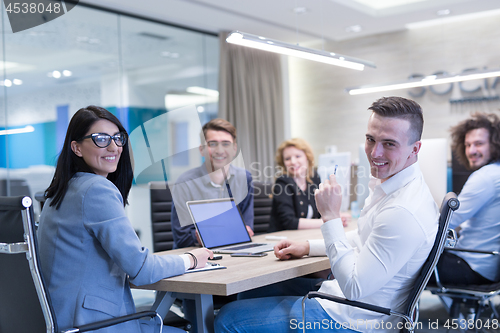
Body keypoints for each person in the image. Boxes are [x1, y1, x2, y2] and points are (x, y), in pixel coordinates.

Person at [215, 96, 439, 333]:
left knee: (228, 318)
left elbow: (354, 287)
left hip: (355, 318)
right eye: (370, 139)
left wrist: (330, 216)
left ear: (415, 149)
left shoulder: (402, 211)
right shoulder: (395, 186)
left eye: (389, 143)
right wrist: (308, 246)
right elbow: (363, 239)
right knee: (251, 292)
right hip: (355, 304)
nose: (375, 152)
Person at [38, 106, 212, 333]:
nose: (114, 147)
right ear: (76, 147)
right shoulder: (96, 190)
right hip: (92, 323)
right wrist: (190, 258)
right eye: (100, 139)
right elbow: (142, 271)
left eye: (118, 138)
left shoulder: (61, 190)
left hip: (61, 318)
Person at [435, 112, 500, 285]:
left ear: (495, 144)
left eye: (479, 144)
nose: (471, 151)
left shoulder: (486, 177)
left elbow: (447, 222)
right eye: (467, 145)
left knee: (406, 266)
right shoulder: (495, 172)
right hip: (485, 264)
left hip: (472, 266)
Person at [170, 118, 254, 249]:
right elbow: (182, 238)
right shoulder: (185, 182)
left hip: (235, 251)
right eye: (212, 144)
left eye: (226, 144)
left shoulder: (244, 178)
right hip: (195, 255)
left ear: (234, 149)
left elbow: (247, 226)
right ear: (201, 149)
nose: (220, 150)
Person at [268, 138, 322, 232]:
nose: (293, 162)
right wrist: (326, 222)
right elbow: (289, 222)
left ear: (307, 157)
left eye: (298, 156)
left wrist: (335, 217)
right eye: (287, 158)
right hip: (283, 240)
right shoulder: (282, 182)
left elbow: (320, 212)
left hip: (307, 235)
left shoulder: (314, 179)